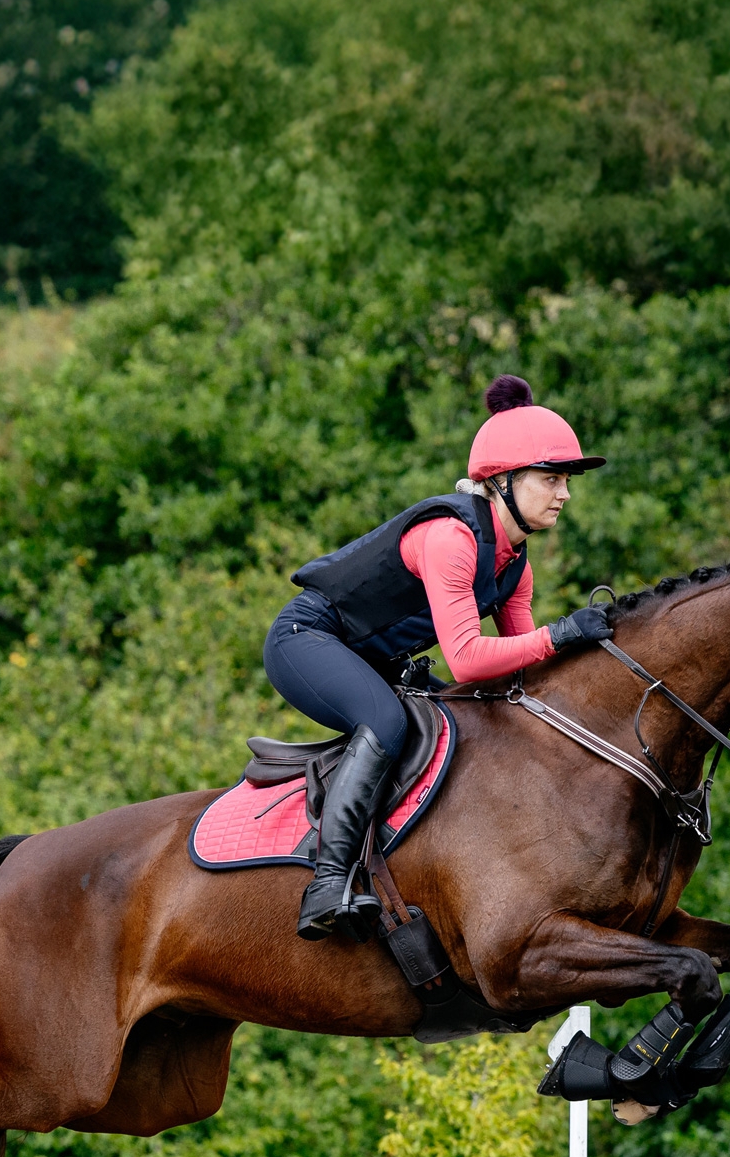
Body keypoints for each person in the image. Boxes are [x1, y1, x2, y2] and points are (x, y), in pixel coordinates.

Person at [263, 375, 614, 941]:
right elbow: (471, 660)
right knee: (386, 722)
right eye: (551, 479)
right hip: (306, 638)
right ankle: (326, 885)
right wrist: (560, 633)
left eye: (565, 481)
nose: (564, 493)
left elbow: (520, 678)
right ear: (502, 481)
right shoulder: (452, 537)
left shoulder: (513, 565)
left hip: (369, 658)